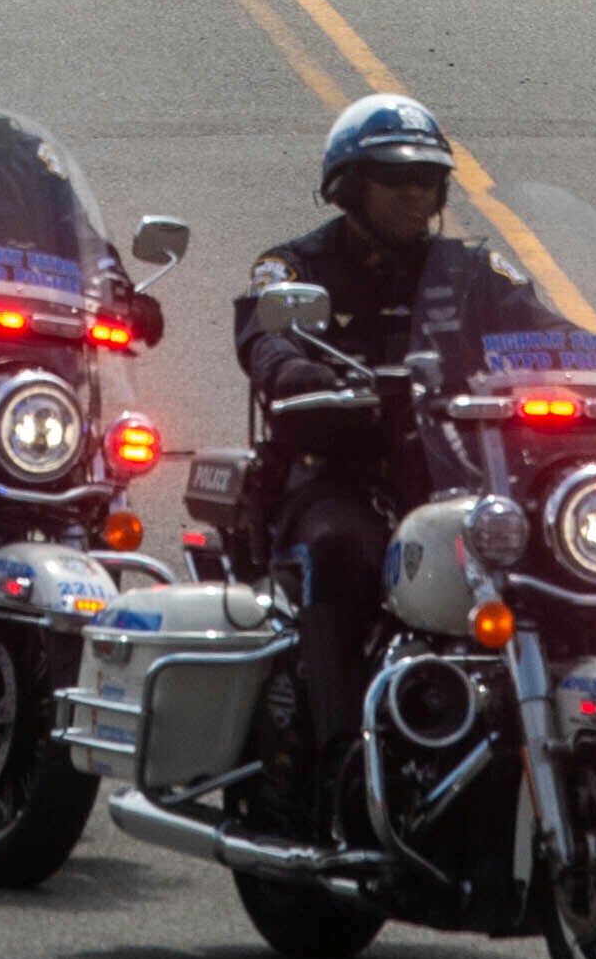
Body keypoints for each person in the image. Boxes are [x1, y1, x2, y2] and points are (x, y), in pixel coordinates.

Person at [234, 93, 555, 782]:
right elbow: (267, 339)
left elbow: (552, 333)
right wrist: (296, 373)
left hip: (455, 478)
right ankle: (342, 749)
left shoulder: (471, 273)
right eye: (396, 179)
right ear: (351, 186)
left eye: (427, 180)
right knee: (340, 550)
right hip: (339, 476)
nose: (417, 195)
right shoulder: (295, 269)